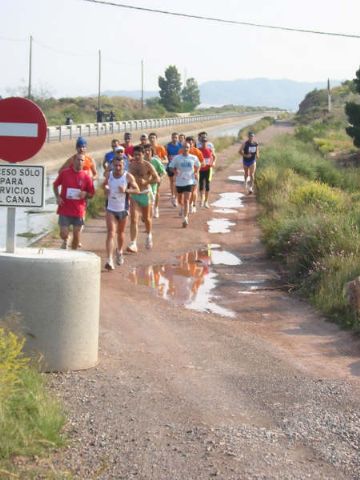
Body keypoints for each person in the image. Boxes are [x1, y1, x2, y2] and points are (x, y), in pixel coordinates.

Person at [103, 156, 139, 270]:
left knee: (120, 233)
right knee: (111, 232)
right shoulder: (109, 175)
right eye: (116, 165)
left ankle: (119, 251)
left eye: (120, 165)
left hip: (123, 209)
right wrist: (106, 188)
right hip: (110, 208)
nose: (118, 167)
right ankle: (109, 259)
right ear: (112, 165)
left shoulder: (127, 176)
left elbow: (137, 190)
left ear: (124, 165)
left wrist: (126, 190)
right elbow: (103, 186)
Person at [53, 153, 95, 250]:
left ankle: (73, 253)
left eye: (82, 160)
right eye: (78, 160)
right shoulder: (65, 173)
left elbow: (92, 193)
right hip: (65, 208)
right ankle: (66, 239)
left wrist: (85, 194)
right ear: (74, 160)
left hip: (78, 210)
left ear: (84, 162)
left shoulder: (86, 177)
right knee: (63, 233)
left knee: (77, 236)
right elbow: (55, 185)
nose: (80, 162)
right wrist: (58, 197)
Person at [127, 145, 160, 252]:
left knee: (147, 219)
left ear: (143, 154)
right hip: (135, 195)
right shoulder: (130, 165)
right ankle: (133, 243)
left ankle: (149, 235)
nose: (136, 157)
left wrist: (146, 182)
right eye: (135, 155)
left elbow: (157, 179)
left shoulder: (148, 165)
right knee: (133, 219)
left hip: (145, 194)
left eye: (139, 155)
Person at [169, 142, 200, 228]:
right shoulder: (177, 158)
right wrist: (175, 172)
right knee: (180, 200)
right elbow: (170, 167)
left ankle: (185, 218)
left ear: (189, 148)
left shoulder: (193, 157)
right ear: (181, 148)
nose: (186, 149)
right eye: (184, 147)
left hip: (189, 181)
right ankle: (182, 208)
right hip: (179, 182)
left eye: (187, 147)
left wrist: (196, 172)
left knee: (186, 200)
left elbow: (198, 165)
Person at [143, 143, 166, 218]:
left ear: (151, 152)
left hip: (153, 183)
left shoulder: (155, 161)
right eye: (145, 151)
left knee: (153, 197)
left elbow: (163, 172)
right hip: (143, 184)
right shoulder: (141, 162)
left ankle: (155, 208)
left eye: (149, 150)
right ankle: (146, 213)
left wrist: (159, 179)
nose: (147, 152)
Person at [148, 132, 168, 214]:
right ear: (149, 139)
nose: (152, 139)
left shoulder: (160, 147)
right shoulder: (147, 148)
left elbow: (166, 160)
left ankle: (156, 207)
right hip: (148, 173)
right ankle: (149, 208)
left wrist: (159, 160)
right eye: (151, 137)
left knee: (156, 191)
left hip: (158, 172)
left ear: (156, 139)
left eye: (153, 137)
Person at [166, 132, 182, 207]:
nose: (174, 139)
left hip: (178, 166)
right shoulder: (168, 146)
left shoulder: (181, 145)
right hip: (170, 166)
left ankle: (175, 197)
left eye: (176, 137)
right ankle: (173, 196)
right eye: (173, 137)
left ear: (178, 138)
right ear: (171, 138)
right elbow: (166, 156)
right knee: (172, 181)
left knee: (175, 181)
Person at [199, 137, 216, 208]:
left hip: (208, 169)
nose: (204, 143)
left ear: (207, 142)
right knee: (201, 185)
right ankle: (202, 199)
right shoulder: (199, 150)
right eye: (202, 141)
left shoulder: (209, 150)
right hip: (200, 170)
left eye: (205, 141)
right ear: (201, 142)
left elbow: (214, 157)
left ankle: (206, 201)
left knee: (207, 185)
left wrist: (214, 162)